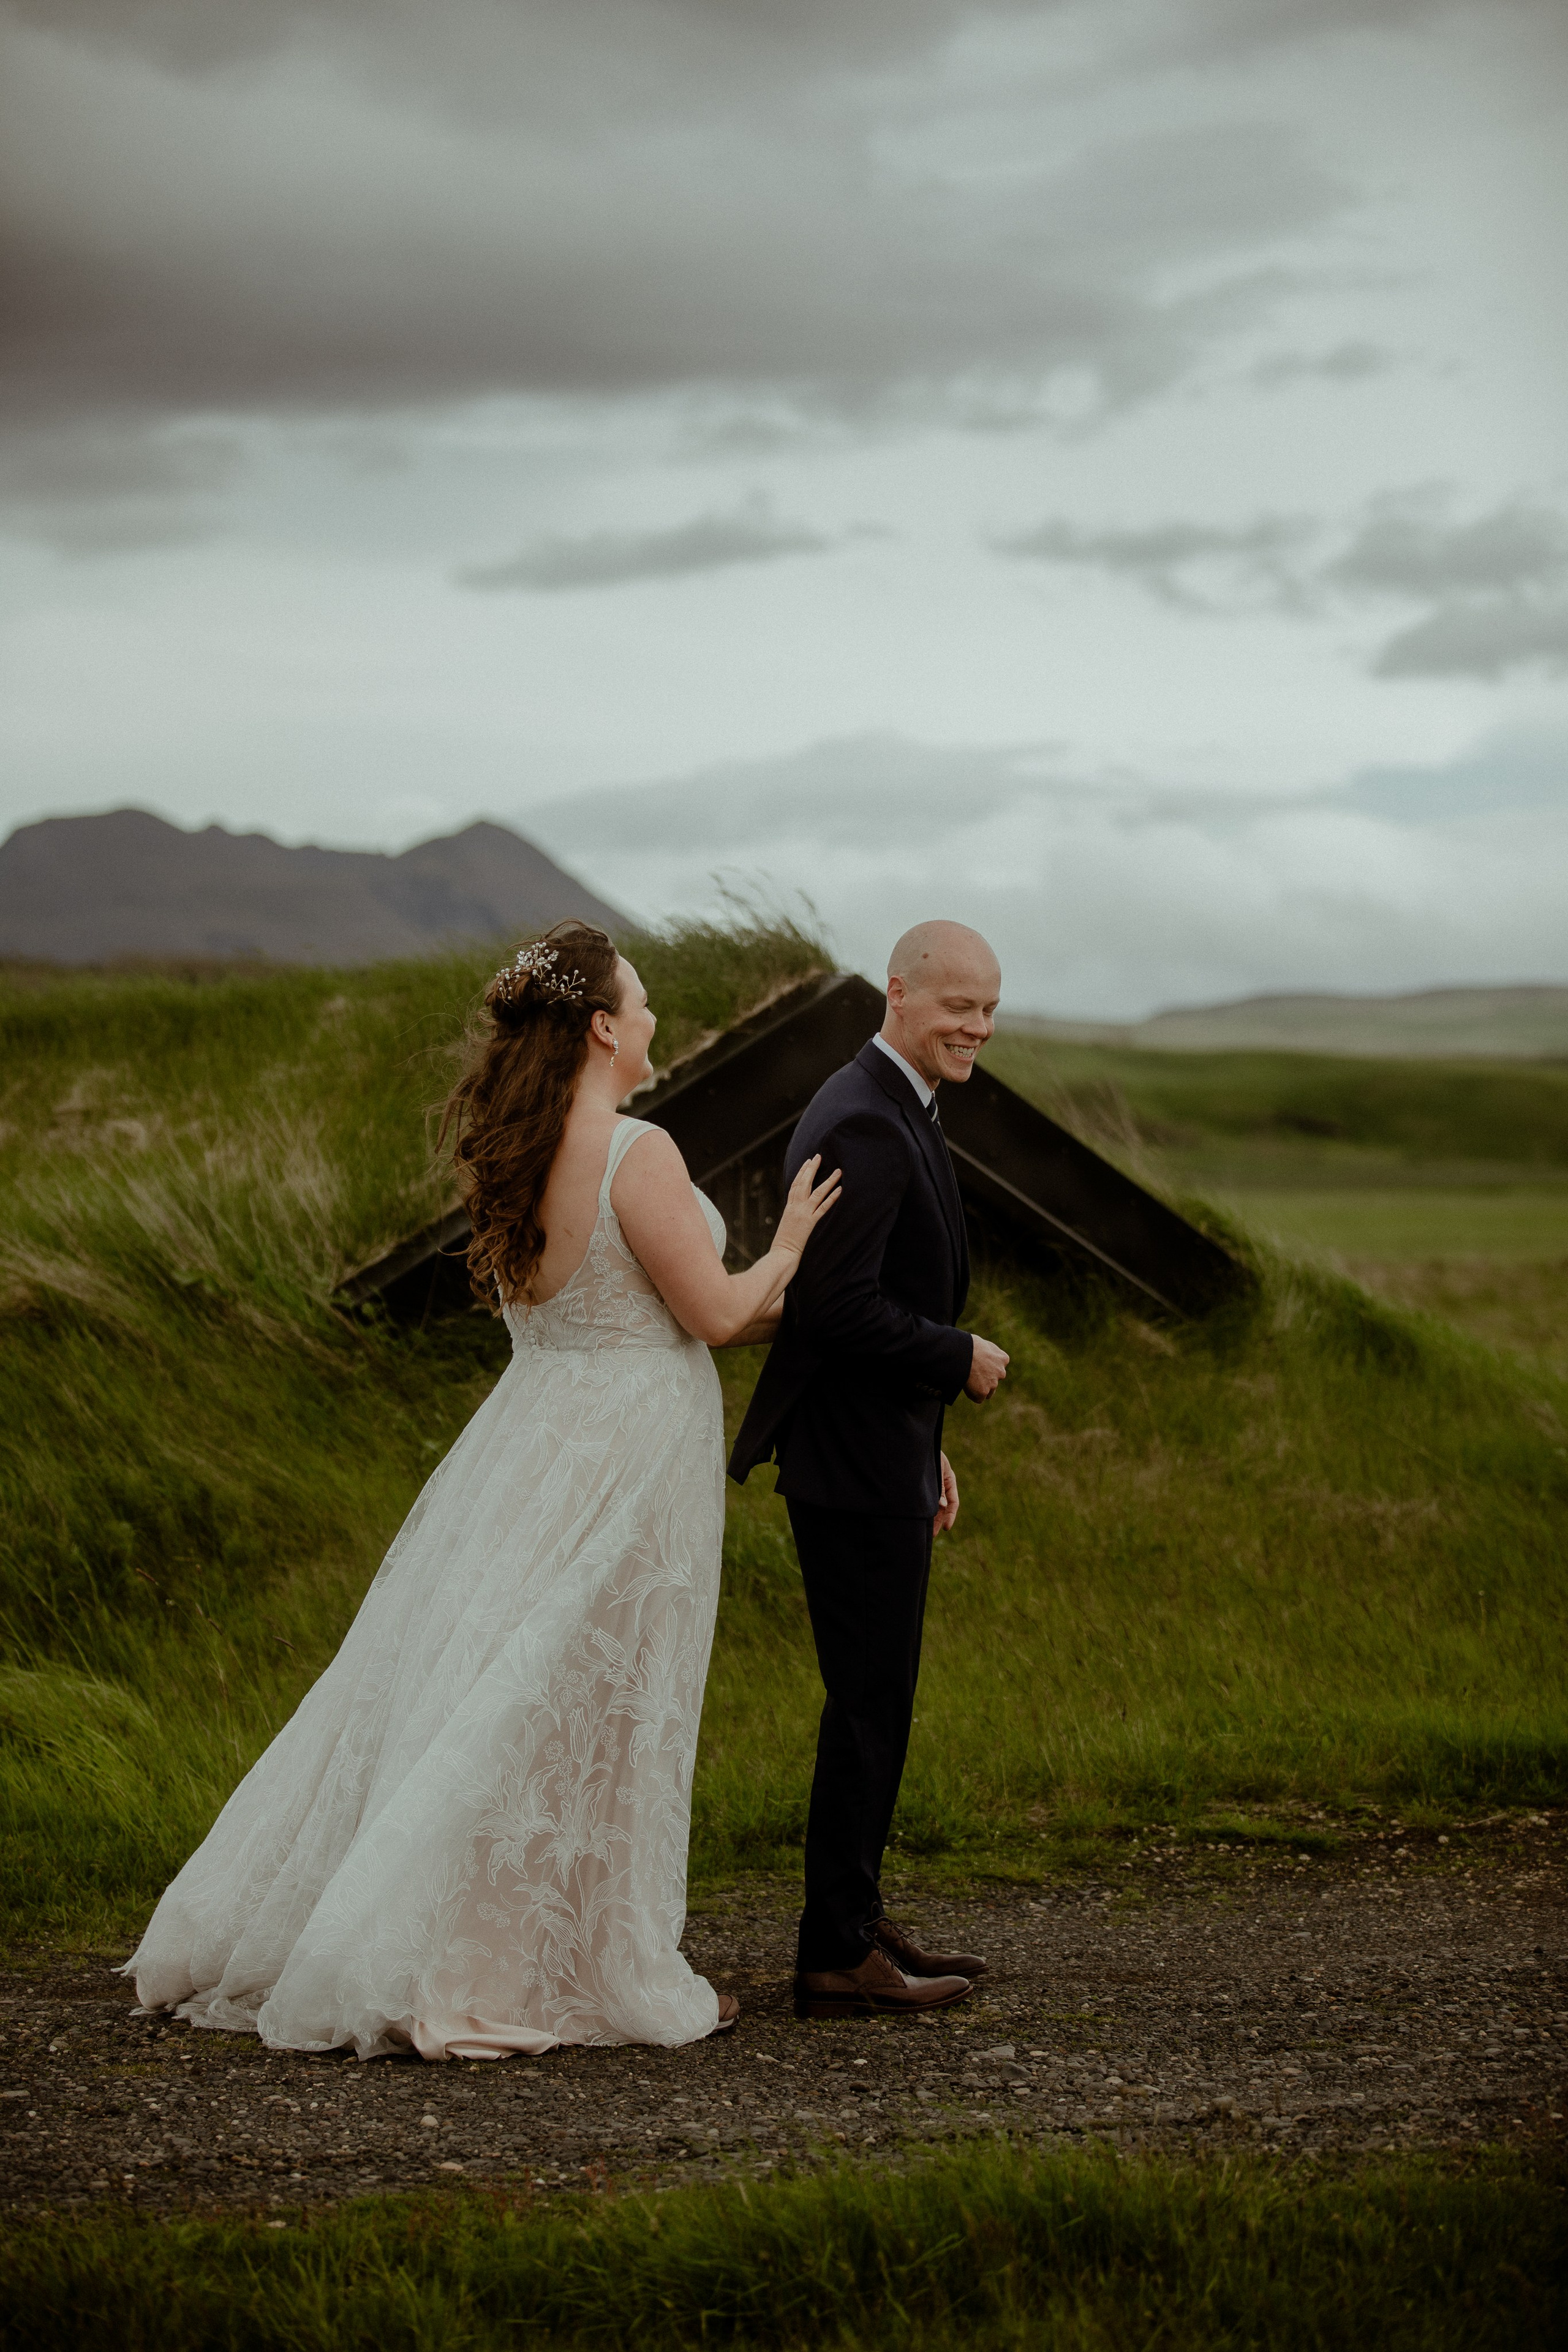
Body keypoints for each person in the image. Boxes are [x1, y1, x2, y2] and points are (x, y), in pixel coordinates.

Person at [125, 921, 840, 2060]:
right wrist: (794, 1242)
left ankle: (464, 1928)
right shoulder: (633, 1151)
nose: (655, 1020)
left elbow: (665, 1312)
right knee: (596, 1701)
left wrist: (807, 1308)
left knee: (496, 1684)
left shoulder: (513, 1148)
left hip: (532, 1442)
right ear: (604, 1026)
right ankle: (566, 1957)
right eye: (642, 1003)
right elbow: (713, 1314)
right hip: (625, 1455)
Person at [729, 919, 1009, 2019]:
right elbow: (834, 1307)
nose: (977, 1027)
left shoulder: (895, 1102)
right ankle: (836, 1953)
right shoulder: (862, 1116)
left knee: (878, 1700)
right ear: (900, 994)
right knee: (867, 1706)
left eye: (989, 1009)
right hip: (847, 1465)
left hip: (882, 1451)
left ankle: (852, 1916)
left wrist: (927, 1442)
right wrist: (958, 1358)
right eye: (958, 1007)